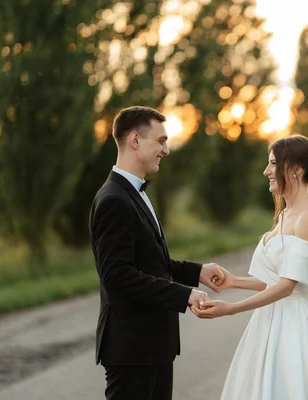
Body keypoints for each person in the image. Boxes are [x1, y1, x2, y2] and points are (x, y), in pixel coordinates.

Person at [192, 134, 308, 399]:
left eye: (273, 164)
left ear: (296, 170)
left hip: (293, 325)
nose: (266, 171)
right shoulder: (286, 214)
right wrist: (233, 281)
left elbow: (287, 286)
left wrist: (232, 309)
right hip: (270, 319)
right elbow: (278, 279)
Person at [88, 106, 225, 400]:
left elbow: (150, 263)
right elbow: (118, 275)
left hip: (153, 344)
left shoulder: (134, 193)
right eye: (160, 141)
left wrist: (196, 272)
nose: (166, 150)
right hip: (132, 347)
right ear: (135, 141)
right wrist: (184, 294)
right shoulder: (113, 200)